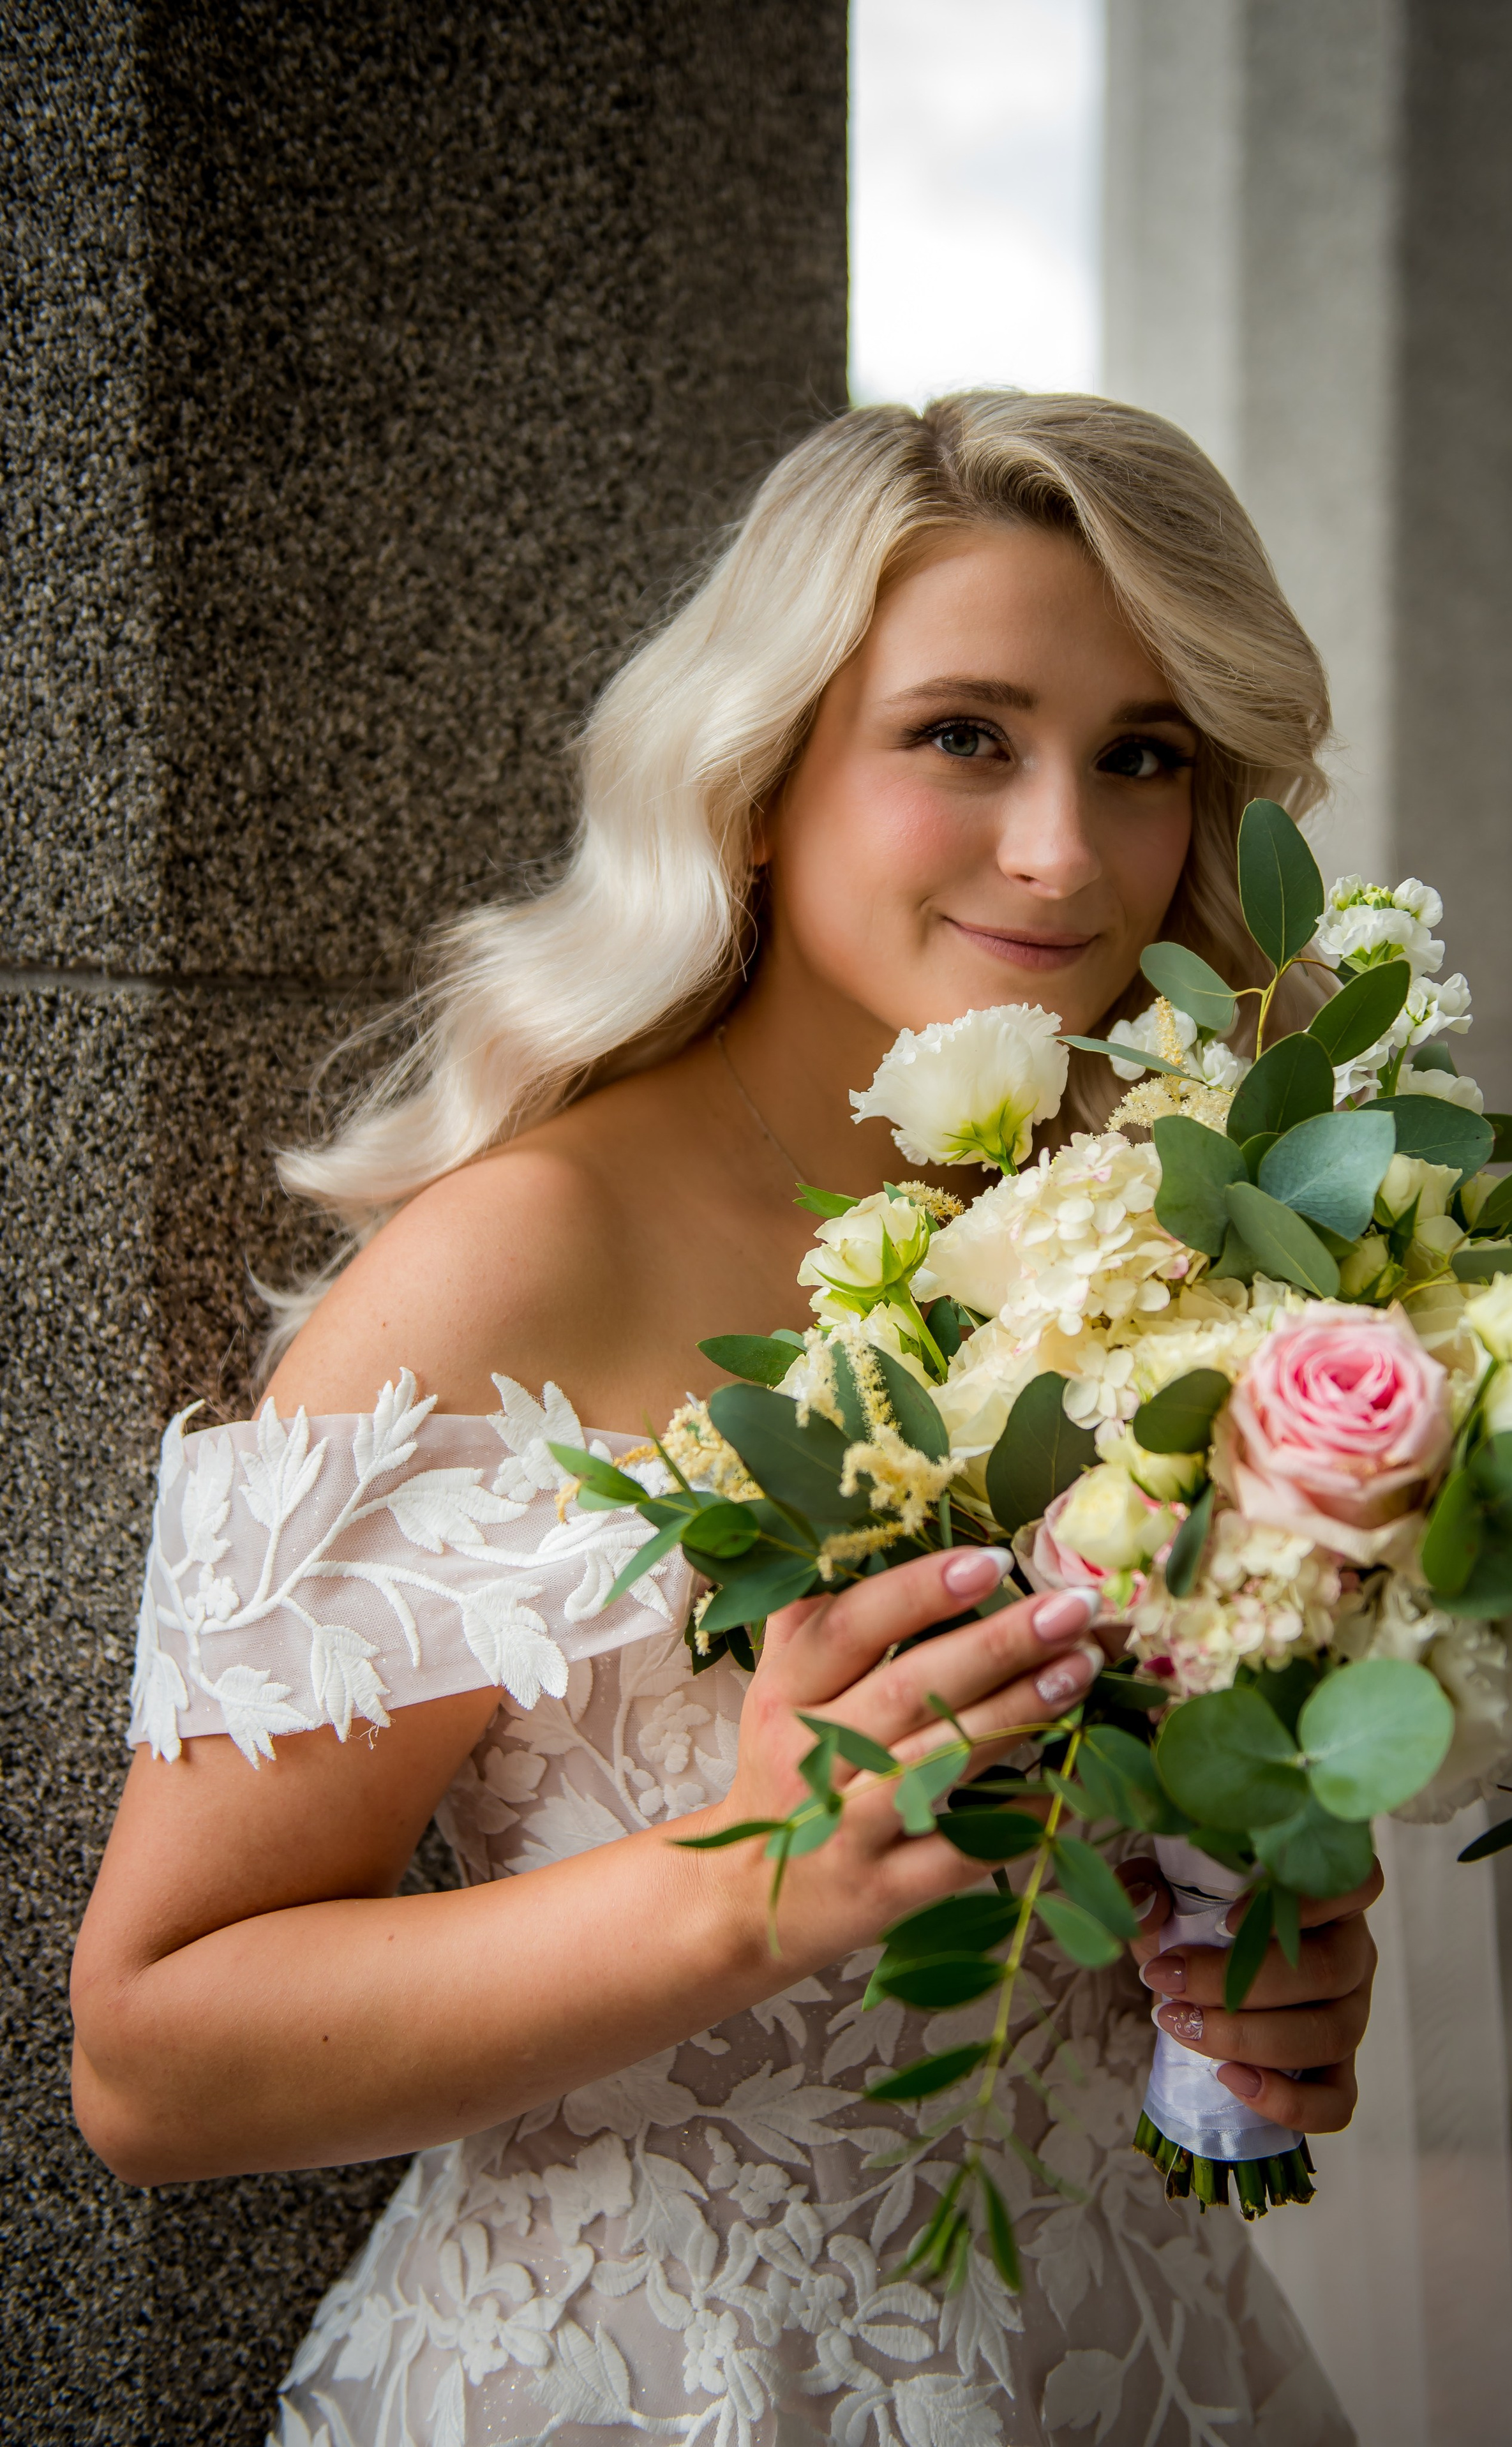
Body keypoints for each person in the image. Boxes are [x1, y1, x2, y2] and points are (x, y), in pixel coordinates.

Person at [73, 394, 1379, 2446]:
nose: (1065, 847)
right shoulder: (514, 1262)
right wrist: (748, 1874)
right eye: (965, 734)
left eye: (1142, 756)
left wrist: (1251, 1975)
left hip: (1135, 2357)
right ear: (762, 780)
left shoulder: (1184, 1218)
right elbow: (148, 2060)